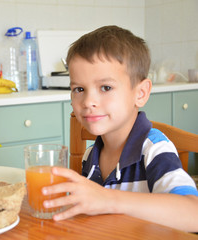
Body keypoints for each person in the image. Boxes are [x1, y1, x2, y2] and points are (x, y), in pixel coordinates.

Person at [41, 25, 198, 232]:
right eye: (79, 89)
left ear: (140, 93)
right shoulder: (91, 155)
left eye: (106, 87)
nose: (88, 101)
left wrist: (108, 199)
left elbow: (193, 213)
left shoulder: (153, 149)